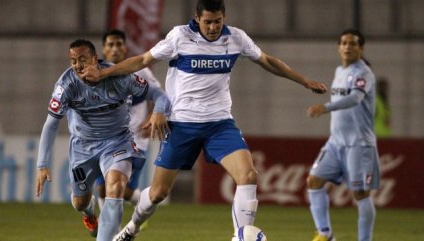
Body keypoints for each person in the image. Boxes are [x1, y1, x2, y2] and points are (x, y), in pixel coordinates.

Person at [81, 0, 327, 240]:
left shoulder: (236, 38)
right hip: (180, 125)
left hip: (220, 125)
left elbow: (267, 61)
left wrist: (304, 81)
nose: (213, 27)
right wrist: (104, 73)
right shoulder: (179, 37)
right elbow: (143, 60)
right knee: (157, 193)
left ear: (224, 18)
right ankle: (132, 228)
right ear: (197, 19)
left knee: (248, 176)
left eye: (218, 21)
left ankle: (240, 236)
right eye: (207, 22)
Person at [35, 39, 170, 241]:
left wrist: (158, 111)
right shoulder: (66, 85)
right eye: (73, 61)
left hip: (117, 141)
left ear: (95, 58)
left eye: (83, 59)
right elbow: (51, 123)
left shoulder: (120, 77)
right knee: (79, 202)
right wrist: (42, 164)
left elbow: (158, 93)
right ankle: (88, 213)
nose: (78, 65)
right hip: (83, 146)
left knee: (114, 188)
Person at [306, 29, 380, 241]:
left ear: (361, 48)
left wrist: (326, 107)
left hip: (359, 144)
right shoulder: (339, 71)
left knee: (360, 194)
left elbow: (356, 99)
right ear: (338, 47)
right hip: (336, 142)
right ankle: (325, 234)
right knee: (313, 181)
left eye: (353, 43)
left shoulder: (364, 73)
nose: (348, 47)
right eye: (344, 43)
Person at [94, 30, 163, 229]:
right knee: (101, 189)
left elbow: (157, 93)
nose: (115, 49)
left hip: (134, 141)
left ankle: (142, 204)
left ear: (125, 47)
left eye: (118, 44)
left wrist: (151, 116)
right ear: (104, 49)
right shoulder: (97, 73)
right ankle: (107, 228)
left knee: (119, 188)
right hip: (106, 140)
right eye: (110, 44)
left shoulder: (140, 71)